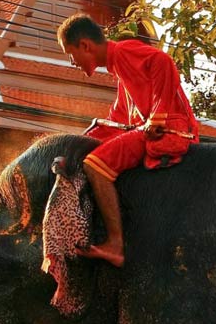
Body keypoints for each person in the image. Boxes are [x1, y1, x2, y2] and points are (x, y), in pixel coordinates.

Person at [57, 13, 199, 267]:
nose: (73, 62)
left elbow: (163, 61)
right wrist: (78, 144)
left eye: (71, 54)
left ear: (85, 46)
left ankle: (115, 244)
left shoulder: (124, 51)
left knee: (95, 166)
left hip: (169, 131)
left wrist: (158, 116)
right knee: (91, 154)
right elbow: (117, 120)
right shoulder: (120, 72)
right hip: (147, 131)